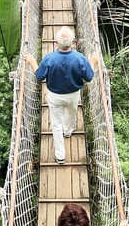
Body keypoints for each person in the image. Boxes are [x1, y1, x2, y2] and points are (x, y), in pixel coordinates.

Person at [25, 27, 97, 164]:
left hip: (55, 96)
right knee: (71, 113)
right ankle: (68, 131)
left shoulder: (49, 59)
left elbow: (39, 76)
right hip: (73, 95)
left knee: (56, 124)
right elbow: (89, 77)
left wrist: (31, 61)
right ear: (72, 43)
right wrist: (93, 61)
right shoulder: (80, 58)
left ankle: (60, 156)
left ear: (56, 43)